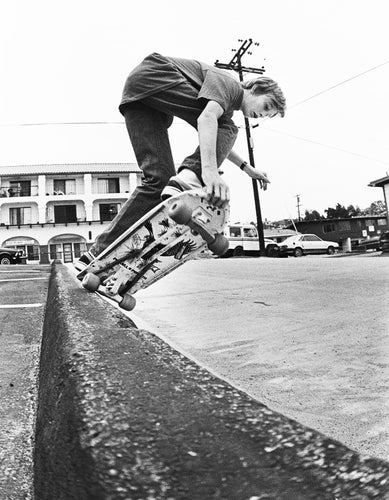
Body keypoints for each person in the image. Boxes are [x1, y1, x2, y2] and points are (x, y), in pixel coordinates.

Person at [75, 52, 286, 270]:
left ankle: (96, 254)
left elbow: (213, 135)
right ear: (257, 88)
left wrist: (247, 168)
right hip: (158, 75)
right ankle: (188, 178)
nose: (261, 115)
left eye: (267, 115)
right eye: (267, 107)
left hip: (140, 98)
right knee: (228, 127)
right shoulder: (230, 85)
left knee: (158, 182)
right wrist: (209, 173)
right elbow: (207, 120)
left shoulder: (221, 108)